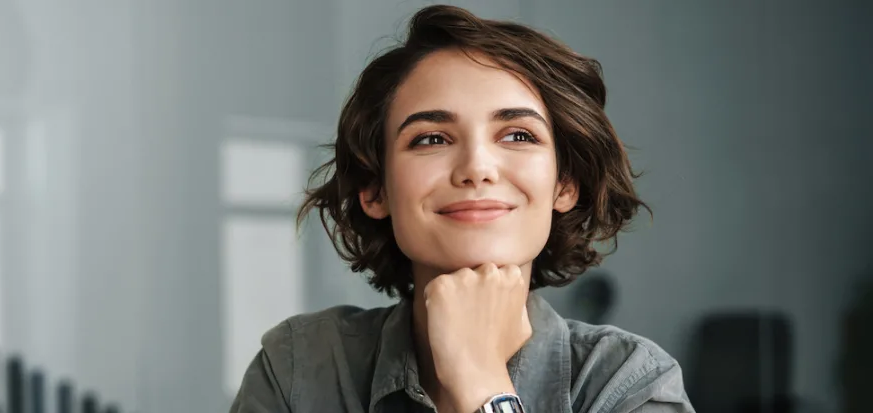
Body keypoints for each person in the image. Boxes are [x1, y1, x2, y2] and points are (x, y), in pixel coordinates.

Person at [231, 5, 693, 413]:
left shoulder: (629, 384)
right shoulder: (299, 370)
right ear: (375, 189)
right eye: (431, 139)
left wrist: (479, 380)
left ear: (564, 184)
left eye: (518, 135)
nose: (477, 168)